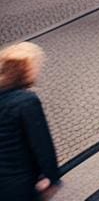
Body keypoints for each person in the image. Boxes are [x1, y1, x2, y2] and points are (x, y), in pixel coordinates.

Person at [0, 42, 61, 201]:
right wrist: (51, 176)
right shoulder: (26, 101)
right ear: (25, 70)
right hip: (19, 183)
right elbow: (41, 143)